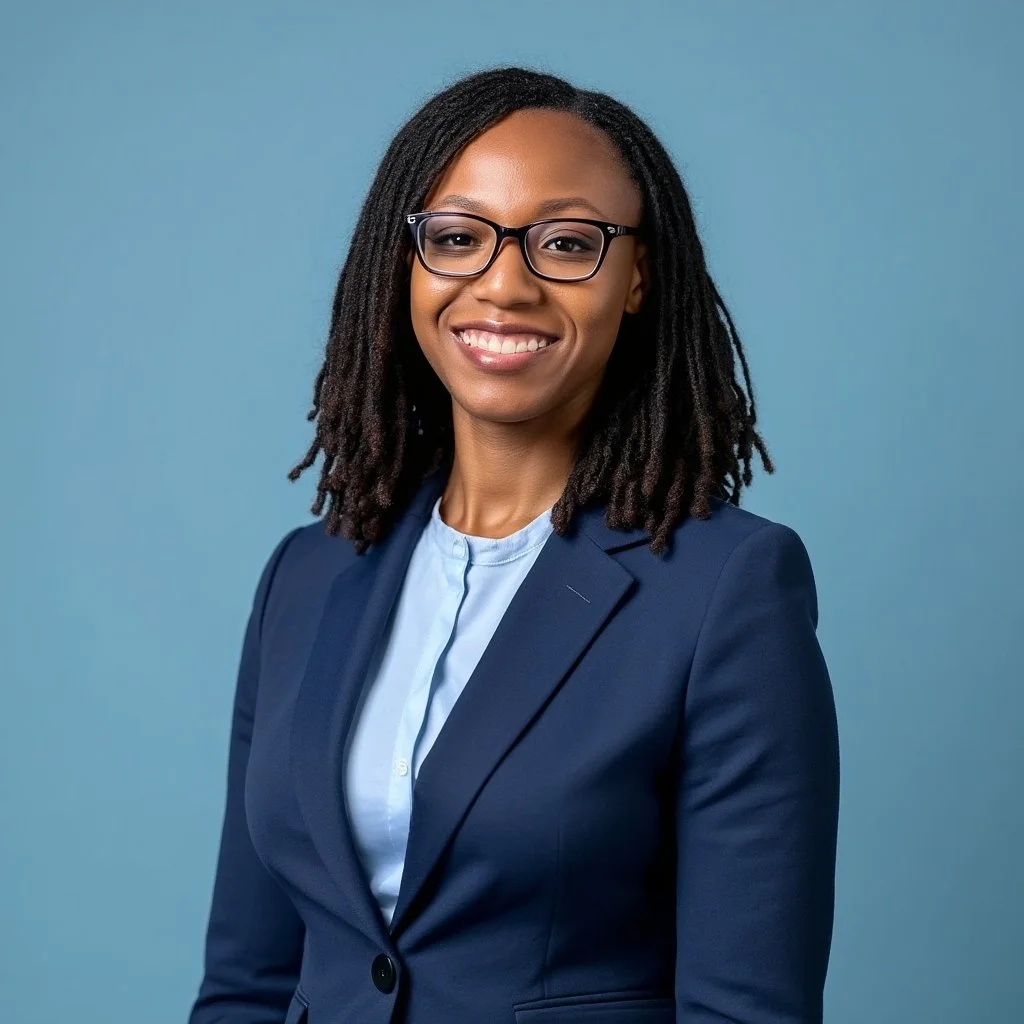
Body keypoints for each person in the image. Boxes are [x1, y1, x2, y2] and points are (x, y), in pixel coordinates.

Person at [186, 66, 840, 1024]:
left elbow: (748, 1013)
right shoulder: (308, 572)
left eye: (568, 243)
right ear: (402, 265)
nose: (503, 284)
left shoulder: (726, 588)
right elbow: (245, 984)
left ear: (638, 279)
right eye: (456, 238)